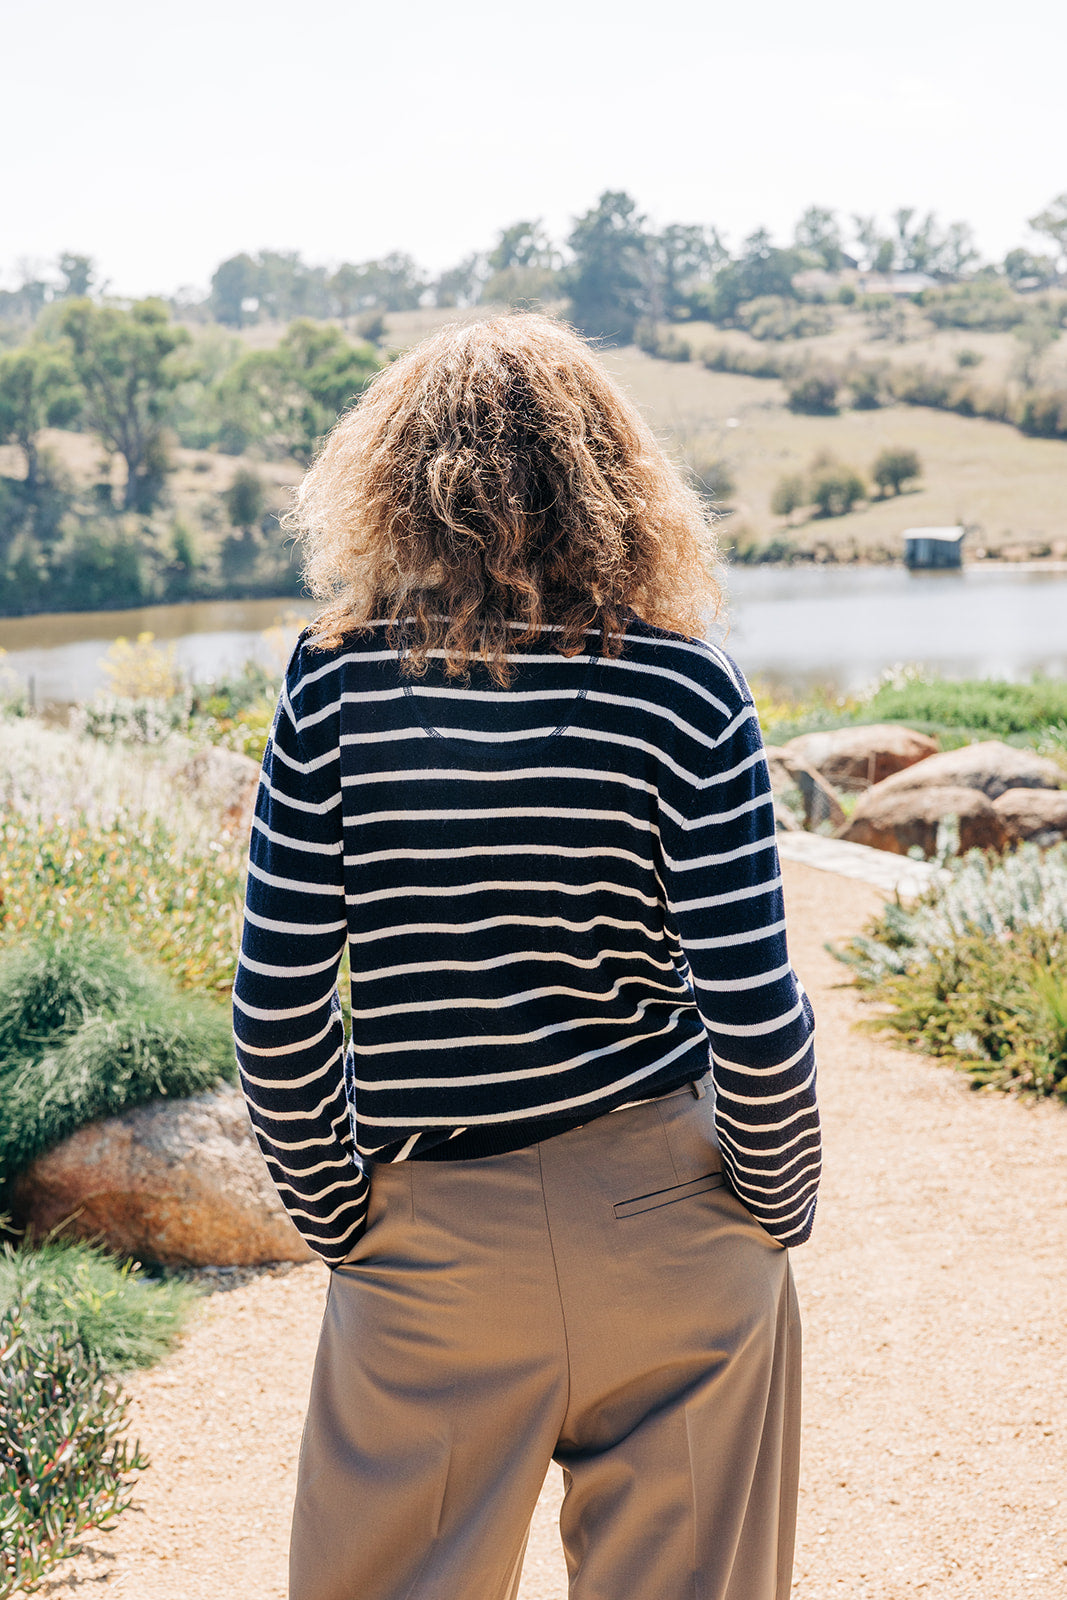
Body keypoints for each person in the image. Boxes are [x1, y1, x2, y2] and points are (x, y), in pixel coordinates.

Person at [233, 311, 820, 1600]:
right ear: (610, 476)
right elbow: (758, 1016)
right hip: (674, 1230)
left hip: (432, 1239)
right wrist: (775, 1209)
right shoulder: (687, 687)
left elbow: (277, 1007)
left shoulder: (333, 688)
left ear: (391, 485)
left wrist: (347, 1222)